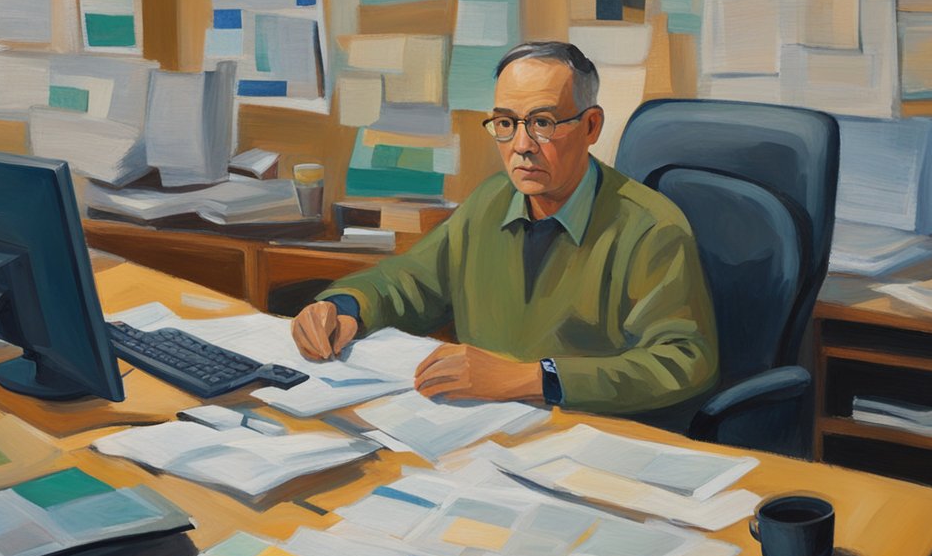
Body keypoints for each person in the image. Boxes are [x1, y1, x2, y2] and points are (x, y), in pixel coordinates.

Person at [291, 41, 718, 415]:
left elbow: (683, 361)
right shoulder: (492, 201)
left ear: (591, 127)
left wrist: (533, 379)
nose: (522, 145)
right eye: (506, 123)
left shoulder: (651, 226)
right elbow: (411, 280)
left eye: (543, 123)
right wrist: (345, 308)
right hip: (486, 427)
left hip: (597, 439)